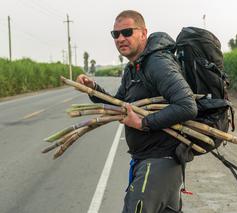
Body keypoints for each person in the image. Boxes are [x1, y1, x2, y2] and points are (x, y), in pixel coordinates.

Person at [76, 10, 197, 213]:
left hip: (160, 161)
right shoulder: (132, 68)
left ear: (143, 33)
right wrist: (93, 89)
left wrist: (143, 123)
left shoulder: (158, 63)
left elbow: (187, 105)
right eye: (116, 34)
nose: (121, 38)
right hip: (146, 160)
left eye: (127, 32)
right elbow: (119, 105)